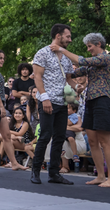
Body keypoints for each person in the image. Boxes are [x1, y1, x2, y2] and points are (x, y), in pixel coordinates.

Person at [52, 32, 110, 187]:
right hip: (91, 101)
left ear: (98, 44)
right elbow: (73, 73)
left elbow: (81, 60)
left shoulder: (105, 58)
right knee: (93, 141)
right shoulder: (92, 65)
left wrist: (61, 49)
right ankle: (100, 176)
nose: (88, 49)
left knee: (104, 141)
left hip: (103, 100)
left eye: (90, 46)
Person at [30, 24, 77, 185]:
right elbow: (37, 77)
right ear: (58, 36)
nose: (70, 40)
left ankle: (54, 173)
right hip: (47, 100)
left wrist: (78, 88)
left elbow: (68, 78)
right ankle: (35, 171)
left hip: (62, 101)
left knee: (59, 137)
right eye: (67, 36)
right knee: (44, 136)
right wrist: (45, 98)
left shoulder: (66, 57)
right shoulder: (42, 53)